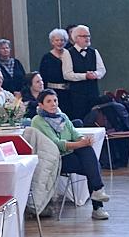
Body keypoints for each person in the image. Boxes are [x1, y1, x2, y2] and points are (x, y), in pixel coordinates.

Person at [31, 89, 111, 220]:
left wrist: (83, 140)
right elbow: (57, 144)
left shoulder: (62, 116)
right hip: (56, 159)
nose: (53, 104)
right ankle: (98, 201)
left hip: (70, 153)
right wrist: (81, 144)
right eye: (49, 101)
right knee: (92, 166)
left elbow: (75, 133)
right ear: (41, 105)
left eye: (55, 100)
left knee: (88, 155)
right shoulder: (38, 120)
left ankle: (98, 194)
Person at [60, 24, 106, 120]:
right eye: (84, 36)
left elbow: (102, 70)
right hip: (77, 94)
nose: (87, 38)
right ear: (76, 38)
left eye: (88, 36)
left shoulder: (94, 52)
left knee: (94, 118)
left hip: (93, 92)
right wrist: (85, 76)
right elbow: (67, 74)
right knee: (80, 118)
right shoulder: (68, 53)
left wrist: (95, 74)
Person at [38, 28, 70, 104]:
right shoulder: (46, 58)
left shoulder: (70, 55)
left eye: (62, 40)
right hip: (53, 93)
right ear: (52, 42)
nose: (60, 42)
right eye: (57, 40)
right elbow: (43, 76)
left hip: (69, 93)